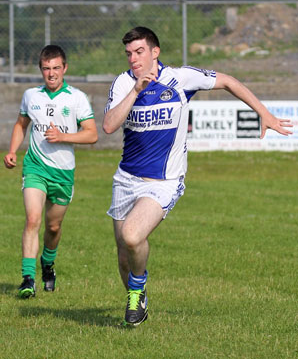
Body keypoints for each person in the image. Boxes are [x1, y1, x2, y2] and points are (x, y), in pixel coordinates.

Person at [103, 26, 293, 327]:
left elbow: (228, 81)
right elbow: (109, 125)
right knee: (124, 257)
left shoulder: (180, 78)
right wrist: (136, 90)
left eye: (139, 52)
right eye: (129, 54)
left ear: (155, 52)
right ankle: (139, 297)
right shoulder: (123, 83)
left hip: (164, 182)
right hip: (126, 180)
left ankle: (137, 292)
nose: (133, 59)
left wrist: (263, 112)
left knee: (132, 236)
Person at [4, 45, 98, 298]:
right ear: (41, 70)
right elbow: (20, 124)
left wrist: (63, 136)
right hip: (35, 166)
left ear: (65, 68)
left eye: (56, 68)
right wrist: (13, 150)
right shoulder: (31, 96)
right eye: (46, 69)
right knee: (33, 219)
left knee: (53, 227)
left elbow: (92, 134)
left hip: (63, 173)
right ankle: (27, 278)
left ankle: (48, 263)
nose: (51, 74)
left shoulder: (77, 98)